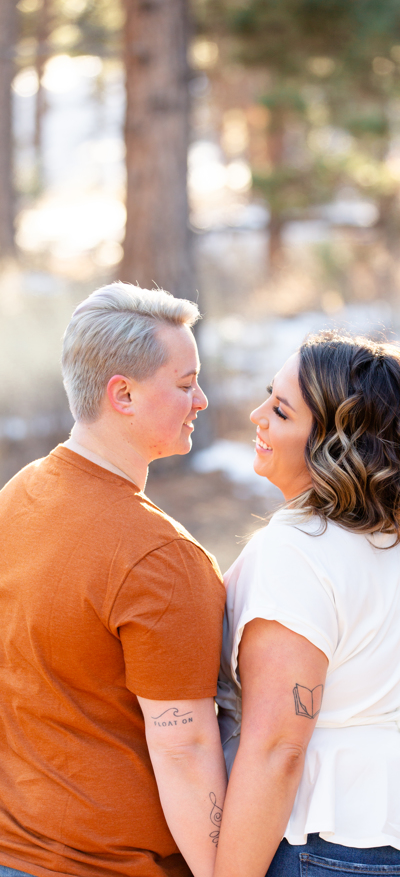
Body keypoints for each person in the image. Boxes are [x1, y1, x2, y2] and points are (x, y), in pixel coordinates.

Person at [216, 331, 400, 877]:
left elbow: (279, 749)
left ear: (330, 443)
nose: (257, 415)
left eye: (280, 409)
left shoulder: (295, 552)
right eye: (267, 396)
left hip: (331, 847)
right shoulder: (381, 537)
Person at [0, 283, 227, 877]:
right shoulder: (161, 557)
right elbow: (187, 748)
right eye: (184, 384)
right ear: (121, 394)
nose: (201, 399)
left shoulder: (19, 494)